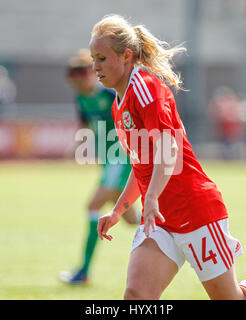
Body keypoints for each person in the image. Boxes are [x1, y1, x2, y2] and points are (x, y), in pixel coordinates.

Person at [91, 14, 246, 300]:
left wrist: (151, 198)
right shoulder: (119, 104)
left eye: (101, 58)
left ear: (125, 56)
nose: (94, 66)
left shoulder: (145, 88)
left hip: (195, 212)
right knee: (136, 297)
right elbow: (142, 166)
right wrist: (119, 210)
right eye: (93, 58)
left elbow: (169, 148)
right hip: (161, 219)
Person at [59, 48, 140, 284]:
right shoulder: (81, 99)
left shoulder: (108, 95)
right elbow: (86, 126)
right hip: (108, 161)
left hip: (122, 159)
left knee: (93, 205)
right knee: (130, 218)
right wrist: (78, 145)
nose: (76, 84)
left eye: (79, 78)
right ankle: (168, 227)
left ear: (89, 76)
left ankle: (84, 271)